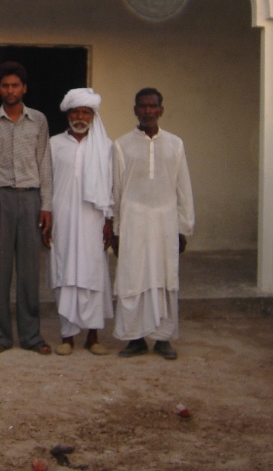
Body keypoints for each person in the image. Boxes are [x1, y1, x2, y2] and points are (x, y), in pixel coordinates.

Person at [0, 61, 53, 356]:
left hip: (31, 199)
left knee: (30, 272)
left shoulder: (39, 121)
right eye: (5, 86)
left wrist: (46, 205)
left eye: (15, 85)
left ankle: (32, 336)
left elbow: (44, 162)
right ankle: (0, 335)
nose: (10, 90)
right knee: (0, 270)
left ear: (24, 88)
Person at [112, 88, 193, 360]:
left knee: (164, 278)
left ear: (161, 110)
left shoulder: (175, 144)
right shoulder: (121, 145)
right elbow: (117, 191)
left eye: (153, 106)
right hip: (133, 222)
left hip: (165, 222)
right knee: (133, 278)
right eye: (143, 106)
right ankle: (134, 339)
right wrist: (116, 229)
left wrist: (184, 227)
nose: (148, 111)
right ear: (135, 110)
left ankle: (162, 338)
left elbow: (183, 189)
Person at [49, 88, 114, 356]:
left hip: (93, 220)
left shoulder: (106, 147)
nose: (79, 116)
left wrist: (109, 220)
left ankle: (93, 337)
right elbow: (46, 184)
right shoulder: (53, 144)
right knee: (65, 275)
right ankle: (67, 337)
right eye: (75, 111)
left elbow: (112, 186)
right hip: (62, 220)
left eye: (85, 112)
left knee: (92, 275)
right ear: (67, 114)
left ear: (92, 115)